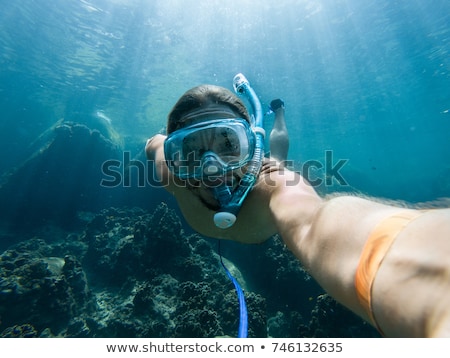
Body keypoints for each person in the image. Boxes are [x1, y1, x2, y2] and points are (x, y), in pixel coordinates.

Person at [145, 84, 450, 338]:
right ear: (174, 158)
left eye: (228, 144)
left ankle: (279, 113)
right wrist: (157, 141)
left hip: (268, 165)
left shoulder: (274, 185)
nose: (213, 169)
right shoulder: (170, 175)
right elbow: (155, 143)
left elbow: (315, 222)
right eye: (190, 151)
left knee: (279, 154)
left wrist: (419, 272)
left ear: (251, 148)